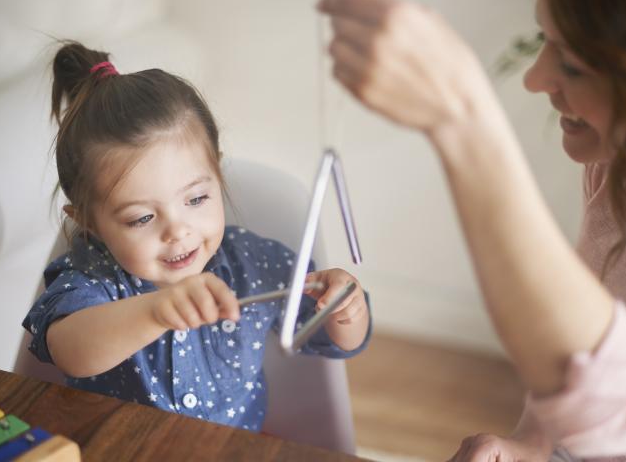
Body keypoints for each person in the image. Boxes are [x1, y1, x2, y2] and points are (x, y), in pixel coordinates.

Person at [318, 0, 626, 460]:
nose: (536, 77)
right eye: (544, 38)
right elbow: (583, 337)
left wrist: (463, 118)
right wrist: (530, 443)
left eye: (572, 63)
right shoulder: (624, 164)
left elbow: (619, 401)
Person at [21, 42, 371, 432]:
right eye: (142, 218)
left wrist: (344, 308)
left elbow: (335, 338)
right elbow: (71, 350)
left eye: (197, 198)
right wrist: (156, 311)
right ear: (88, 222)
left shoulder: (255, 264)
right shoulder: (90, 277)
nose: (177, 230)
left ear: (218, 175)